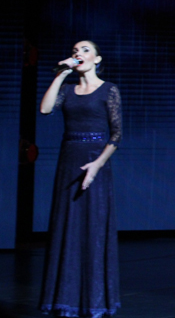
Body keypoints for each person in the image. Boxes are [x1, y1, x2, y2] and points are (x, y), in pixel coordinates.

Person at [39, 40, 122, 317]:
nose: (78, 54)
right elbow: (45, 109)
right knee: (67, 226)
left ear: (97, 59)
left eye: (85, 50)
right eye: (75, 51)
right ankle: (64, 299)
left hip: (95, 162)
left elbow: (117, 134)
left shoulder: (109, 90)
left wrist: (97, 165)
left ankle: (95, 301)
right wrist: (61, 74)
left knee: (93, 228)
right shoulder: (66, 90)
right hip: (69, 162)